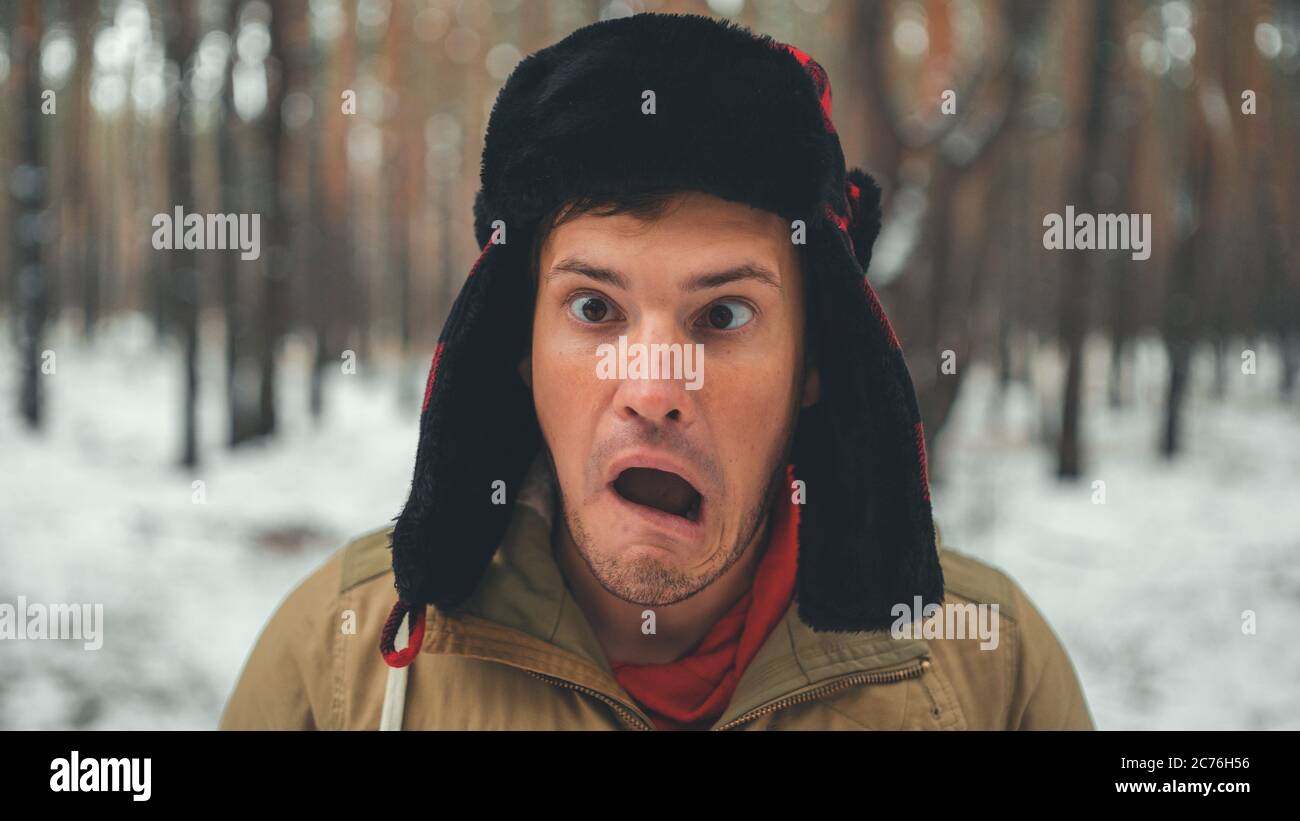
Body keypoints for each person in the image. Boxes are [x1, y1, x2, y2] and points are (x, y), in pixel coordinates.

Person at [220, 12, 1093, 731]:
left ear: (814, 363)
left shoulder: (991, 672)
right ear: (522, 348)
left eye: (723, 315)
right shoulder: (337, 664)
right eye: (595, 308)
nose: (654, 389)